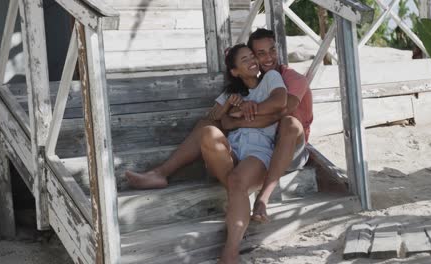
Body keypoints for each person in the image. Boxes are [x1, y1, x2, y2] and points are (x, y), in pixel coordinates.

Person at [125, 28, 313, 222]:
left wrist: (235, 119)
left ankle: (261, 197)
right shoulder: (249, 85)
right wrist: (229, 112)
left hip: (288, 148)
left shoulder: (291, 78)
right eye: (259, 53)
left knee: (289, 122)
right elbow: (216, 115)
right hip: (259, 142)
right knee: (208, 124)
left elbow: (279, 112)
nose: (268, 58)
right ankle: (160, 173)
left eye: (272, 50)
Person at [198, 43, 287, 263]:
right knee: (208, 132)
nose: (252, 61)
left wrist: (244, 111)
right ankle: (239, 192)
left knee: (236, 180)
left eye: (251, 56)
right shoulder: (233, 92)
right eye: (244, 60)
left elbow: (279, 106)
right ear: (235, 71)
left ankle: (230, 252)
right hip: (234, 147)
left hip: (258, 149)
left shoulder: (270, 78)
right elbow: (214, 117)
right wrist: (230, 105)